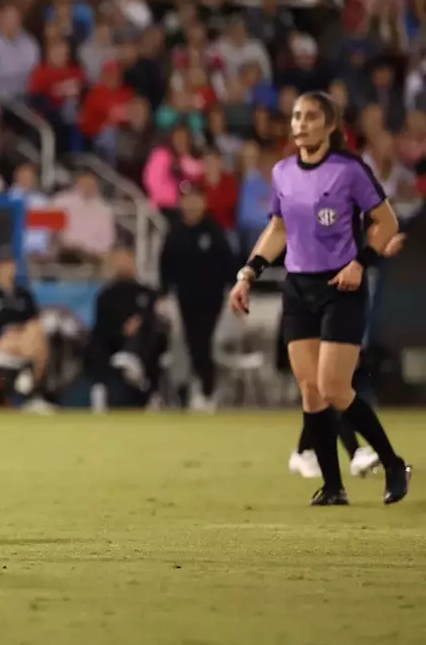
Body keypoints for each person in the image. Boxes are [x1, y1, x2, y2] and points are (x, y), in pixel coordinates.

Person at [229, 91, 410, 505]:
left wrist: (361, 262)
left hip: (340, 287)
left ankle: (393, 463)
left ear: (330, 126)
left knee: (333, 386)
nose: (300, 124)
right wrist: (248, 274)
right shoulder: (282, 172)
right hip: (298, 287)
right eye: (296, 116)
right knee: (310, 390)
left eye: (311, 117)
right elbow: (277, 229)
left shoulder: (349, 171)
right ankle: (333, 486)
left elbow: (385, 222)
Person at [159, 189, 238, 411]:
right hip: (186, 297)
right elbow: (165, 265)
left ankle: (207, 389)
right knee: (192, 342)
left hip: (211, 297)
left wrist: (237, 287)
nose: (191, 205)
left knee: (204, 340)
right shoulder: (175, 231)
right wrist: (164, 292)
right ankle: (199, 388)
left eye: (196, 200)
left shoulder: (213, 229)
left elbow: (228, 262)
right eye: (187, 201)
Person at [87, 245, 167, 409]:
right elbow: (102, 323)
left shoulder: (147, 293)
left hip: (142, 342)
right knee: (95, 342)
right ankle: (102, 388)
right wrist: (121, 330)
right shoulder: (106, 295)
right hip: (113, 342)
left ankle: (146, 384)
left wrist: (140, 321)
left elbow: (153, 315)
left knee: (153, 333)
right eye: (119, 259)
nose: (123, 263)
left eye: (127, 259)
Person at [0, 252, 53, 410]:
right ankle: (31, 387)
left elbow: (34, 321)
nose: (8, 269)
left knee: (37, 333)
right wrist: (10, 331)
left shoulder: (24, 295)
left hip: (24, 341)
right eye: (4, 265)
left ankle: (29, 384)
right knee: (36, 340)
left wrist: (20, 331)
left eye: (11, 265)